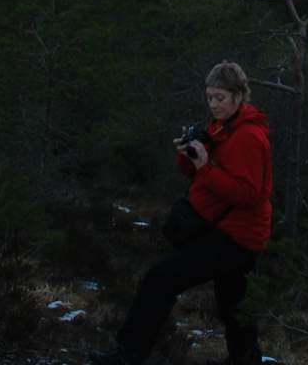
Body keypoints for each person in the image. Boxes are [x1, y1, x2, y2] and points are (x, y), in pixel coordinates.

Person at [92, 61, 272, 365]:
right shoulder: (222, 127)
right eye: (210, 97)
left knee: (160, 279)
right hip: (228, 231)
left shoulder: (249, 137)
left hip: (236, 236)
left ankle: (127, 356)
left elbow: (249, 194)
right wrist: (190, 156)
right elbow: (201, 175)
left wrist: (205, 166)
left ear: (239, 96)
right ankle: (245, 360)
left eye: (220, 98)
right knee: (234, 306)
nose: (213, 104)